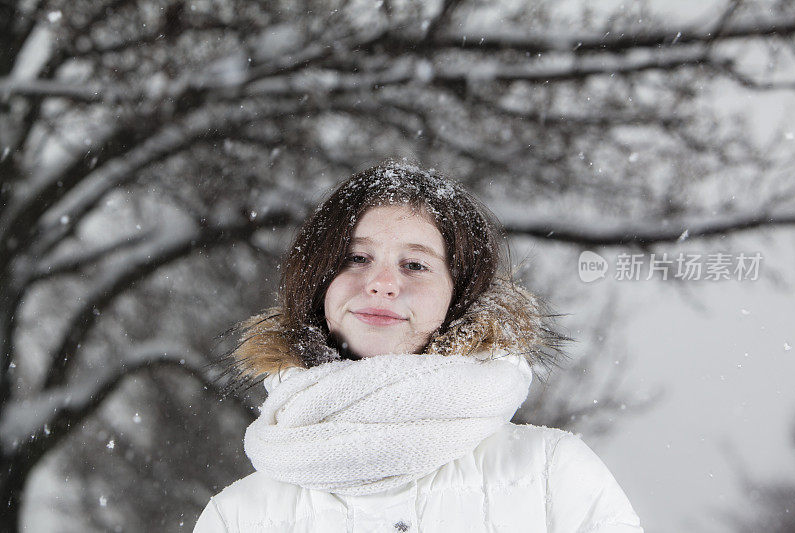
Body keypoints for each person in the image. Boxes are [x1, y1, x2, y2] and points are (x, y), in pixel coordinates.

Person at [194, 161, 644, 532]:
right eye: (356, 258)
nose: (382, 284)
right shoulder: (237, 518)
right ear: (319, 281)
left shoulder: (551, 477)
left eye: (415, 264)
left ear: (459, 294)